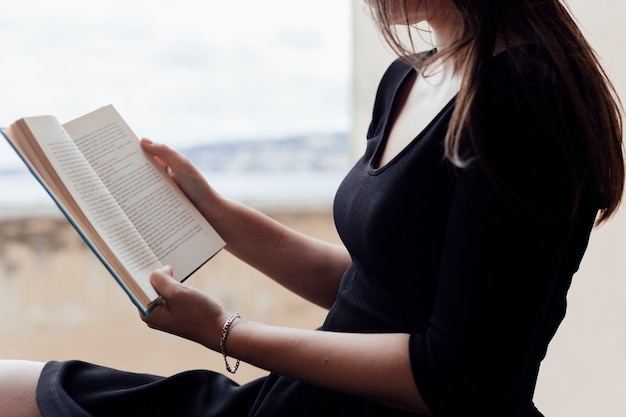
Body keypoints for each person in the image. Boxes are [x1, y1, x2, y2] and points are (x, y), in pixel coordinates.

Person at [1, 0, 623, 416]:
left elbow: (454, 374)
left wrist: (225, 332)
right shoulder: (413, 77)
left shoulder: (522, 100)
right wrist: (214, 211)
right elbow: (374, 292)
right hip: (309, 399)